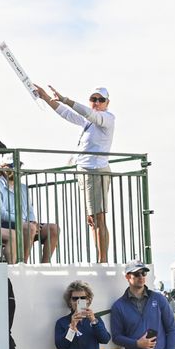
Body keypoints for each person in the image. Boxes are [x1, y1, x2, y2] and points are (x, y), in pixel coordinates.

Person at [33, 84, 115, 263]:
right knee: (93, 219)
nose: (96, 103)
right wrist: (46, 97)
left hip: (95, 171)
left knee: (99, 217)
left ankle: (103, 260)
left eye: (100, 100)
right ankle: (100, 258)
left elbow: (89, 114)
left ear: (107, 102)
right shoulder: (88, 121)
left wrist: (65, 99)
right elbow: (66, 114)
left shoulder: (107, 118)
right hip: (85, 171)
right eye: (94, 99)